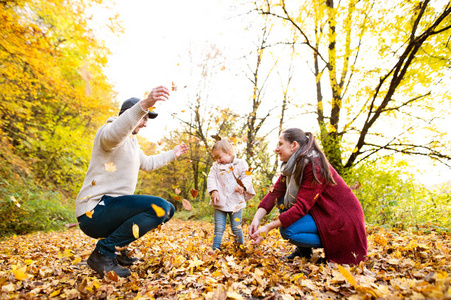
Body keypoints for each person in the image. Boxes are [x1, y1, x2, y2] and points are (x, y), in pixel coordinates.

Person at [75, 86, 188, 277]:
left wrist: (173, 154)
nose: (145, 123)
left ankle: (118, 250)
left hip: (113, 208)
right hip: (95, 210)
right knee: (157, 207)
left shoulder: (133, 144)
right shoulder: (108, 133)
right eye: (144, 117)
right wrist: (143, 105)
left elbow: (149, 163)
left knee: (168, 208)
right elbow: (116, 133)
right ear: (131, 114)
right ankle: (103, 252)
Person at [248, 128, 367, 265]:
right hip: (323, 214)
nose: (276, 149)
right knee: (282, 200)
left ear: (293, 145)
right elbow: (274, 193)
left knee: (288, 231)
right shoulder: (292, 165)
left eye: (280, 144)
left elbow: (301, 207)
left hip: (340, 219)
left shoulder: (313, 165)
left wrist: (268, 227)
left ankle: (333, 242)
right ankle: (304, 251)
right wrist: (256, 219)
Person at [207, 137, 255, 250]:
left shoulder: (241, 163)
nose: (218, 160)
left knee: (236, 227)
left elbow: (247, 176)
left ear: (229, 153)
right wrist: (214, 190)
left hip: (236, 203)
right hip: (220, 202)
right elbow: (211, 178)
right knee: (219, 227)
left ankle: (240, 248)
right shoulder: (216, 167)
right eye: (216, 158)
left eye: (219, 157)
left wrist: (242, 185)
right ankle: (215, 248)